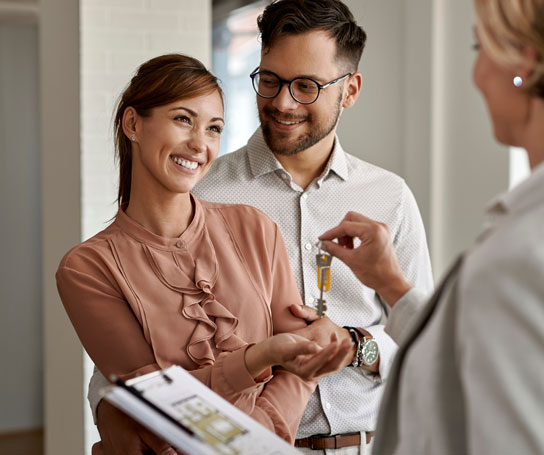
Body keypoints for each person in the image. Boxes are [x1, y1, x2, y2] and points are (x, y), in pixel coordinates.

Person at [89, 0, 433, 453]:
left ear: (349, 90)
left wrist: (355, 346)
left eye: (306, 86)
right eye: (269, 80)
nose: (282, 102)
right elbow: (129, 353)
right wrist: (107, 410)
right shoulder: (201, 193)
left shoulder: (390, 197)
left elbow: (423, 336)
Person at [318, 0, 544, 453]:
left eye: (478, 46)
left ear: (524, 62)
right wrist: (390, 283)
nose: (476, 75)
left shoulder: (525, 264)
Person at [56, 54, 353, 455]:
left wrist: (254, 442)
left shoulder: (255, 228)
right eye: (183, 119)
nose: (200, 144)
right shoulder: (88, 268)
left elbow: (301, 367)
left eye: (214, 128)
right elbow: (155, 404)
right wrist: (258, 358)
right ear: (133, 124)